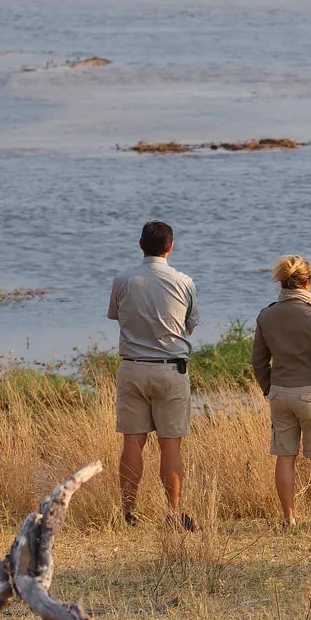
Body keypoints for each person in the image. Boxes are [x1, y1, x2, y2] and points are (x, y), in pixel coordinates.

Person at [108, 220, 199, 529]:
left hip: (132, 366)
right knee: (170, 445)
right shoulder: (184, 281)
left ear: (140, 245)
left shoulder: (123, 280)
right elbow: (189, 324)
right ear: (170, 247)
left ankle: (129, 512)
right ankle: (173, 513)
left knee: (132, 443)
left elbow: (116, 316)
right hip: (170, 369)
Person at [251, 255, 311, 532]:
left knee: (285, 457)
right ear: (308, 282)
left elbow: (259, 360)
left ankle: (288, 519)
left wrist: (269, 388)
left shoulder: (266, 315)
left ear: (282, 282)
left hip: (281, 393)